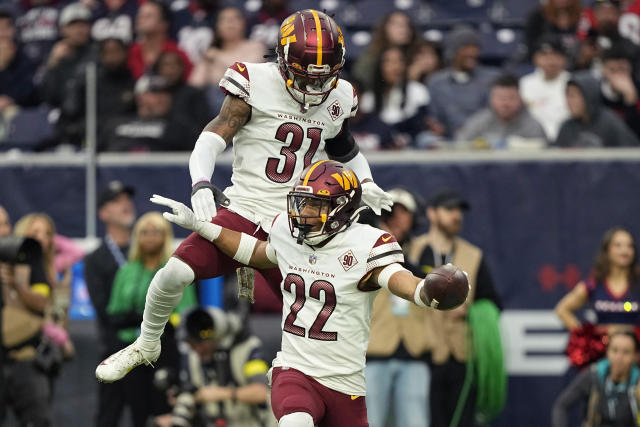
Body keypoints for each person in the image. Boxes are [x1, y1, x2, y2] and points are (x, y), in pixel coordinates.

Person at [95, 9, 393, 383]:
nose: (315, 88)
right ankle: (147, 342)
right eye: (305, 76)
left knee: (310, 314)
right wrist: (201, 181)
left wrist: (364, 182)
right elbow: (214, 134)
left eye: (324, 77)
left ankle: (309, 379)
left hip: (299, 223)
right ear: (283, 60)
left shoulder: (341, 95)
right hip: (247, 209)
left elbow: (344, 147)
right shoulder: (254, 81)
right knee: (173, 272)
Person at [147, 160, 461, 427]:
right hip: (295, 370)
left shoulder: (368, 243)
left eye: (315, 204)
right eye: (302, 202)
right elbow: (255, 251)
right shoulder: (286, 230)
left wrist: (423, 290)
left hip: (346, 382)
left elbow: (397, 277)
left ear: (342, 208)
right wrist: (204, 228)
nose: (303, 212)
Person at [407, 189, 504, 427]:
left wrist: (471, 311)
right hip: (423, 354)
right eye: (449, 210)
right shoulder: (411, 251)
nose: (456, 216)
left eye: (459, 211)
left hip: (462, 355)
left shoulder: (473, 255)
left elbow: (492, 301)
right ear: (431, 213)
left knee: (464, 420)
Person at [104, 212, 197, 427]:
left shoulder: (177, 270)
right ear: (137, 236)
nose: (150, 237)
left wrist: (151, 321)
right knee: (137, 410)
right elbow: (114, 312)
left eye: (157, 232)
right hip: (130, 349)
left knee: (164, 411)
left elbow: (185, 313)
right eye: (144, 232)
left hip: (165, 350)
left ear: (166, 236)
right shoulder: (126, 272)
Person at [365, 188, 433, 427]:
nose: (397, 218)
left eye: (404, 213)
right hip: (374, 352)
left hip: (414, 353)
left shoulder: (423, 251)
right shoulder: (365, 248)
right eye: (391, 212)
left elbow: (419, 275)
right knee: (369, 421)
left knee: (415, 422)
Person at [155, 307, 273, 427]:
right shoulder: (190, 354)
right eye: (192, 344)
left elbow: (262, 392)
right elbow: (192, 392)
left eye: (201, 343)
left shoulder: (248, 348)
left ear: (217, 335)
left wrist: (222, 393)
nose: (198, 349)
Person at [84, 181, 136, 427]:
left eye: (127, 198)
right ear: (103, 213)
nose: (125, 203)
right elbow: (104, 311)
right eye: (116, 200)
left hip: (153, 353)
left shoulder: (149, 249)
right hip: (114, 351)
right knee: (108, 418)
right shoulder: (96, 259)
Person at [555, 227, 640, 367]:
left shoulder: (637, 284)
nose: (625, 251)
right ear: (607, 250)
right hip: (603, 356)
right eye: (618, 245)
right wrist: (585, 337)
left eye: (629, 246)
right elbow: (562, 309)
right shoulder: (594, 285)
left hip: (635, 357)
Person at [0, 207, 53, 426]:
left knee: (37, 420)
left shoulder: (27, 254)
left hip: (23, 355)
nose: (4, 230)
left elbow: (42, 303)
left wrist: (16, 284)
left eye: (6, 223)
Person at [551, 330, 640, 427]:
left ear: (635, 356)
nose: (619, 357)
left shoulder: (638, 382)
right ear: (607, 352)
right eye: (614, 350)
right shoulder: (594, 374)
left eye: (626, 352)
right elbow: (561, 406)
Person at [427, 26, 501, 139]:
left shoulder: (492, 78)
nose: (472, 52)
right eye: (466, 48)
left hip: (484, 138)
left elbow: (493, 114)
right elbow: (435, 117)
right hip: (447, 139)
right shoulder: (436, 82)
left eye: (475, 47)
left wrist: (469, 130)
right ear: (453, 51)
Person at [456, 74, 547, 149]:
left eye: (511, 98)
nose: (505, 104)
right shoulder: (478, 122)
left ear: (520, 99)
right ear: (491, 99)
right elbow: (460, 145)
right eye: (500, 98)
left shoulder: (533, 127)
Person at [555, 74, 640, 147]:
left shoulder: (610, 123)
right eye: (567, 96)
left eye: (572, 96)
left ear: (589, 96)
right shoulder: (566, 127)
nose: (568, 102)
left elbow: (631, 155)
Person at [519, 36, 570, 141]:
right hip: (531, 142)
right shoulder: (524, 84)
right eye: (544, 55)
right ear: (535, 59)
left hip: (566, 141)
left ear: (564, 59)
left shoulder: (573, 83)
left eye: (555, 55)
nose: (550, 60)